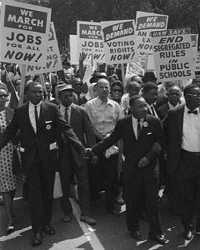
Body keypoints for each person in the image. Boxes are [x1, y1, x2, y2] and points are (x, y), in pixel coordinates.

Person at [0, 81, 86, 246]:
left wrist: (81, 147)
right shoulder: (20, 112)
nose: (39, 95)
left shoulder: (52, 109)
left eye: (41, 92)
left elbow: (66, 129)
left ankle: (46, 223)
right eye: (35, 92)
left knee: (48, 194)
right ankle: (36, 230)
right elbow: (9, 132)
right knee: (34, 196)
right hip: (30, 161)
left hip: (48, 159)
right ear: (27, 94)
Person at [86, 95, 168, 244]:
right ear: (131, 108)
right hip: (131, 170)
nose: (144, 109)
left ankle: (156, 232)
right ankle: (133, 228)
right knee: (132, 202)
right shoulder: (123, 123)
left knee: (151, 203)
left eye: (145, 106)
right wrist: (93, 150)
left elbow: (160, 141)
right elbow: (111, 139)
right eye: (140, 106)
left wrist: (149, 157)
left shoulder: (154, 121)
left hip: (149, 170)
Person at [162, 84, 200, 240]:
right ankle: (188, 226)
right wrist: (165, 151)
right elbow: (163, 134)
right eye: (197, 97)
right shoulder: (174, 114)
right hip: (183, 162)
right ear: (187, 97)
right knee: (185, 198)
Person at [56, 84, 97, 226]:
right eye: (65, 96)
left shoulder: (80, 111)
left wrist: (93, 151)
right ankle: (67, 211)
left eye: (71, 95)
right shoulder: (53, 111)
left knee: (83, 183)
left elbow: (89, 133)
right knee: (65, 183)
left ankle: (86, 213)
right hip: (63, 152)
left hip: (80, 152)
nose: (69, 98)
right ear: (59, 97)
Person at [84, 78, 121, 216]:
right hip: (96, 145)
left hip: (112, 145)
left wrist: (110, 138)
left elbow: (118, 125)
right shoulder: (89, 105)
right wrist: (102, 139)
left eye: (107, 87)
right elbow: (88, 126)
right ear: (96, 89)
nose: (104, 90)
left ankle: (110, 206)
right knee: (95, 174)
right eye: (101, 87)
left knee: (111, 177)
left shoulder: (115, 105)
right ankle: (93, 202)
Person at [0, 86, 16, 234]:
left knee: (14, 184)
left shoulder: (11, 112)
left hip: (14, 152)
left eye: (5, 96)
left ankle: (10, 206)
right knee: (5, 186)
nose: (3, 99)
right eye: (0, 96)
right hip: (1, 155)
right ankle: (10, 217)